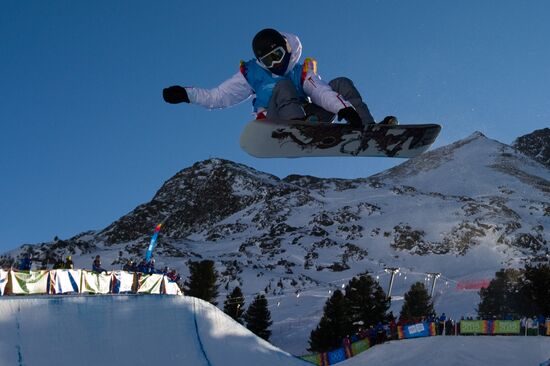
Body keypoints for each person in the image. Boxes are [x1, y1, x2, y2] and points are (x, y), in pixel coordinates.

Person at [163, 28, 397, 128]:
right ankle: (296, 129)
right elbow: (219, 97)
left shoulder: (299, 71)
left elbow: (320, 91)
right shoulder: (251, 74)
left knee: (341, 83)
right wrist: (187, 94)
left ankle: (367, 127)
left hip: (309, 117)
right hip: (276, 120)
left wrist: (344, 110)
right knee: (283, 85)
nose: (275, 64)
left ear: (286, 49)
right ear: (260, 62)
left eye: (277, 55)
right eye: (268, 61)